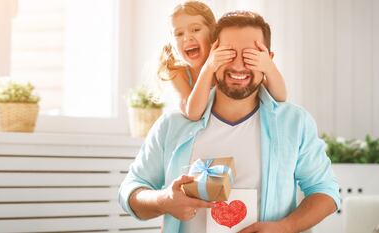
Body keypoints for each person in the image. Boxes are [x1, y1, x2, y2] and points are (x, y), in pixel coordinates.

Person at [119, 11, 340, 233]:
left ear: (267, 60)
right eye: (228, 54)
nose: (238, 66)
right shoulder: (172, 125)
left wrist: (285, 227)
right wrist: (163, 200)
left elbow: (326, 191)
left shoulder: (294, 123)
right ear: (212, 57)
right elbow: (130, 191)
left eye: (251, 55)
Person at [158, 1, 287, 121]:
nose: (187, 38)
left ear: (212, 33)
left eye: (196, 29)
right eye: (179, 34)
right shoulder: (176, 71)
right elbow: (193, 113)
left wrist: (269, 67)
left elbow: (280, 97)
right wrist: (208, 68)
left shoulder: (225, 64)